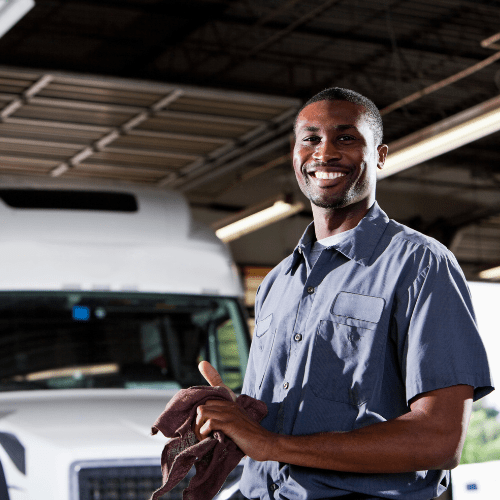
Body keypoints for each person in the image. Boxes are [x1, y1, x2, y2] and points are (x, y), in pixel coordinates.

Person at [194, 87, 494, 500]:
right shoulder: (277, 282)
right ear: (295, 155)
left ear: (381, 156)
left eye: (346, 138)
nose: (325, 152)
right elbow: (272, 427)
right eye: (310, 139)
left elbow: (439, 440)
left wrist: (273, 445)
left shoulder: (421, 264)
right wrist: (236, 415)